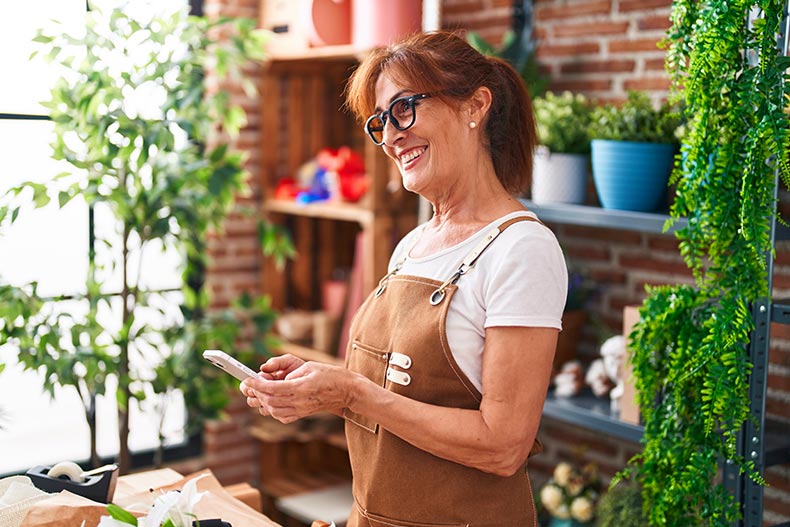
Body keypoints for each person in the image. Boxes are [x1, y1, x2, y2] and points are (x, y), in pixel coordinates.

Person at [241, 31, 568, 527]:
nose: (391, 136)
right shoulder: (412, 246)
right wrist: (320, 387)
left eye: (404, 109)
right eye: (380, 122)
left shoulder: (522, 249)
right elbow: (392, 422)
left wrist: (351, 392)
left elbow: (503, 445)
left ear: (475, 105)